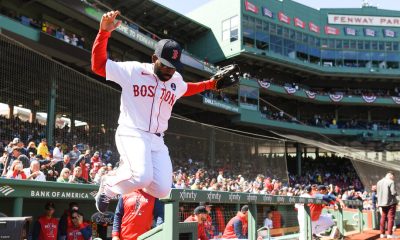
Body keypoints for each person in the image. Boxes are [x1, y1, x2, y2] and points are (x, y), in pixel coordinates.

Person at [92, 10, 219, 213]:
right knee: (141, 176)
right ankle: (108, 186)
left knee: (161, 189)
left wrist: (210, 84)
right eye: (166, 65)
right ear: (154, 58)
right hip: (132, 131)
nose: (170, 71)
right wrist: (103, 33)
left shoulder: (175, 80)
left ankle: (129, 169)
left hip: (157, 140)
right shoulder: (133, 71)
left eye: (174, 67)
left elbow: (187, 89)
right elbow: (99, 66)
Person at [377, 171, 398, 239]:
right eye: (393, 177)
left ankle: (382, 234)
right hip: (390, 203)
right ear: (390, 175)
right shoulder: (391, 182)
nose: (393, 179)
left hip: (382, 203)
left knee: (383, 217)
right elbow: (393, 192)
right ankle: (389, 234)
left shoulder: (379, 182)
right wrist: (397, 197)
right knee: (390, 218)